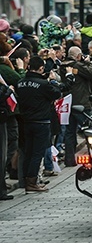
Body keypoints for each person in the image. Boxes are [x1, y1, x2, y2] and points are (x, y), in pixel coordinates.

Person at [16, 56, 72, 193]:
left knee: (28, 151)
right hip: (41, 121)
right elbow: (57, 93)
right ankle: (32, 182)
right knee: (37, 153)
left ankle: (25, 180)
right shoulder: (43, 84)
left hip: (26, 122)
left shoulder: (20, 83)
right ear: (41, 68)